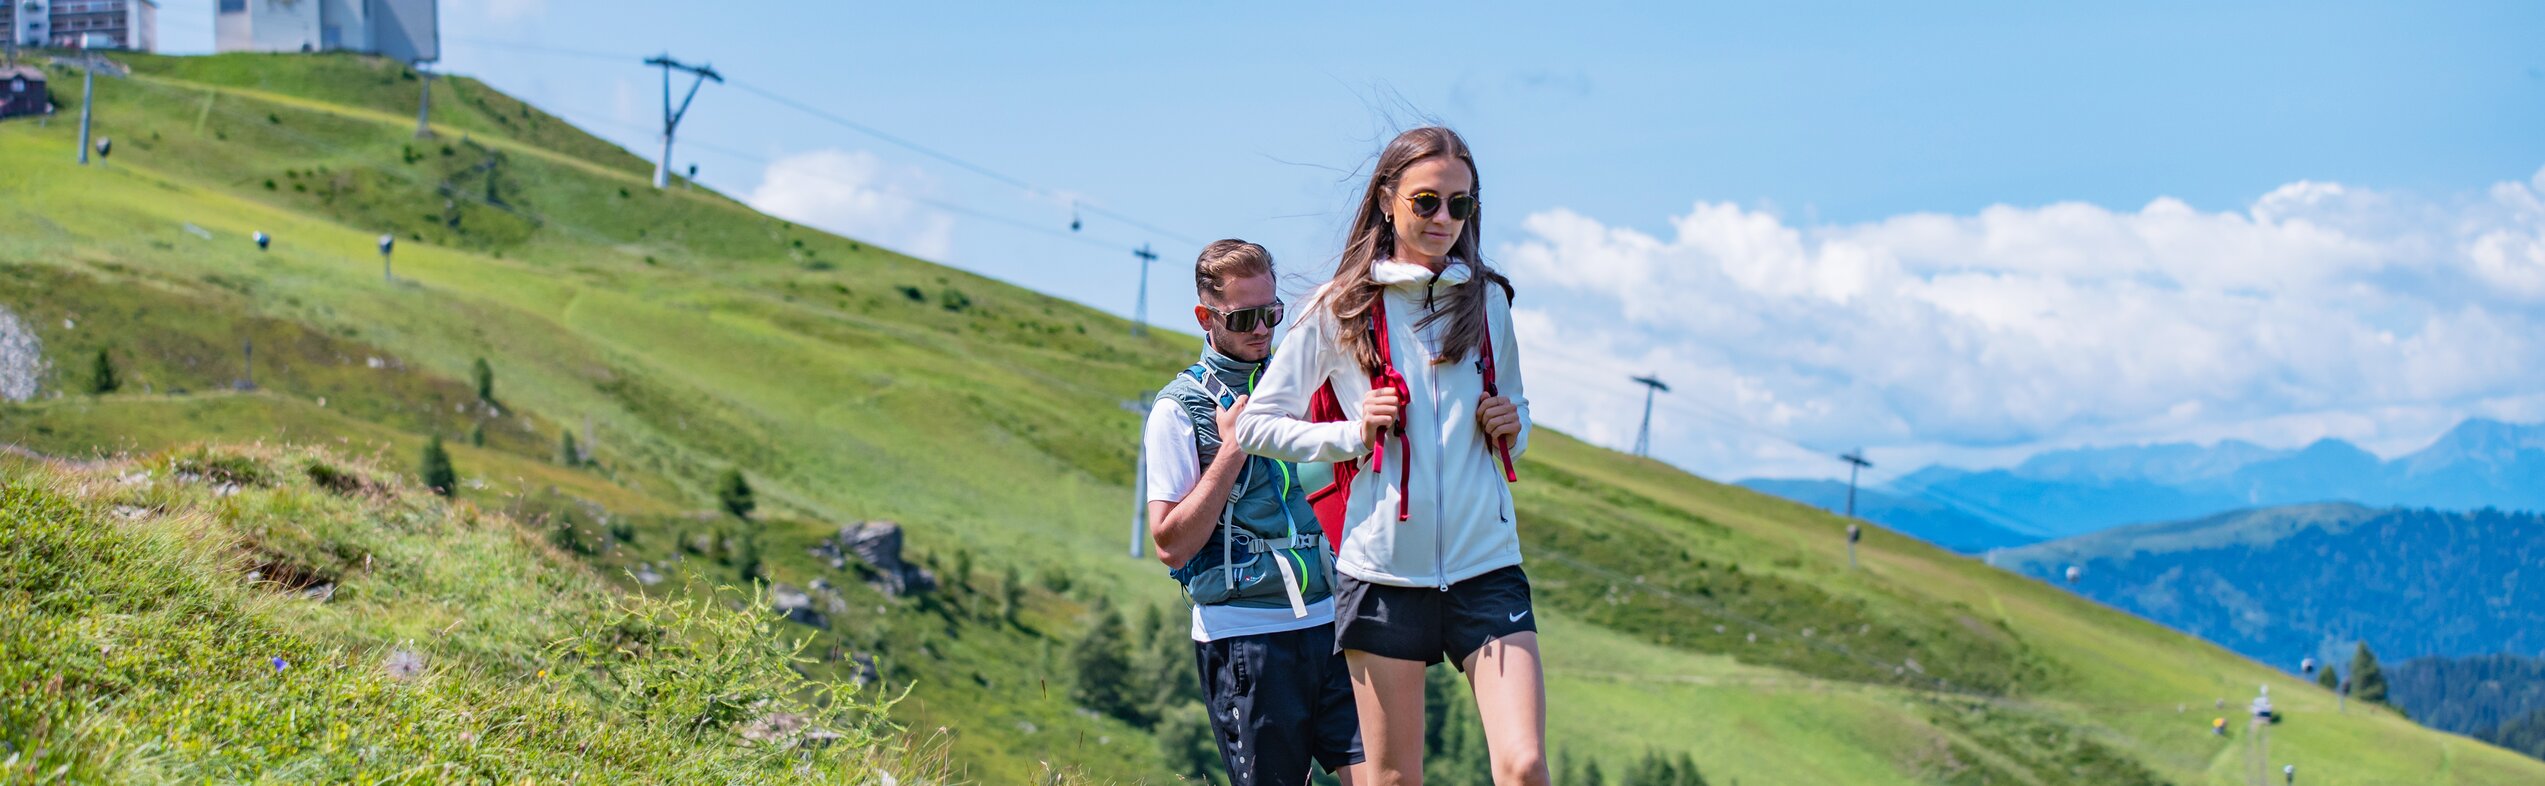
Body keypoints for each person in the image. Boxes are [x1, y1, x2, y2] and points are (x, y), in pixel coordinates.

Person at [1235, 126, 1544, 785]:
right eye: (1426, 201)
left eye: (1461, 206)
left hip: (1486, 568)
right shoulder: (1339, 307)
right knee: (1395, 780)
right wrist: (1350, 434)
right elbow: (1256, 427)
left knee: (1523, 767)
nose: (1443, 220)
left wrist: (1512, 422)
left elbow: (1516, 407)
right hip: (1380, 578)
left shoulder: (1487, 300)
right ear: (1386, 200)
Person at [1144, 239, 1363, 785]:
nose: (1262, 329)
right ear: (1205, 317)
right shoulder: (1177, 410)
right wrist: (1233, 450)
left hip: (1331, 623)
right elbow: (1170, 543)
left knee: (1387, 776)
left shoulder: (1300, 385)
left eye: (1272, 313)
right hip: (1246, 639)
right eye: (1244, 317)